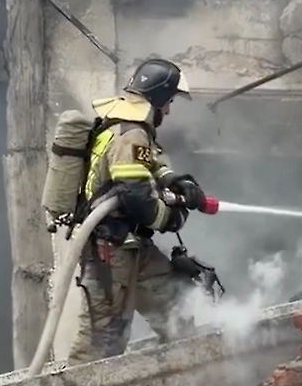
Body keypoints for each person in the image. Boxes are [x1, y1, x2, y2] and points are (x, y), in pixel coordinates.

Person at [67, 58, 210, 364]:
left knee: (175, 308)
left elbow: (147, 166)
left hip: (133, 248)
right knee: (103, 341)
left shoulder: (129, 127)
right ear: (159, 98)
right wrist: (171, 217)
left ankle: (189, 382)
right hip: (111, 252)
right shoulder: (130, 131)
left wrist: (176, 181)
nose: (169, 111)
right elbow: (135, 196)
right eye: (169, 102)